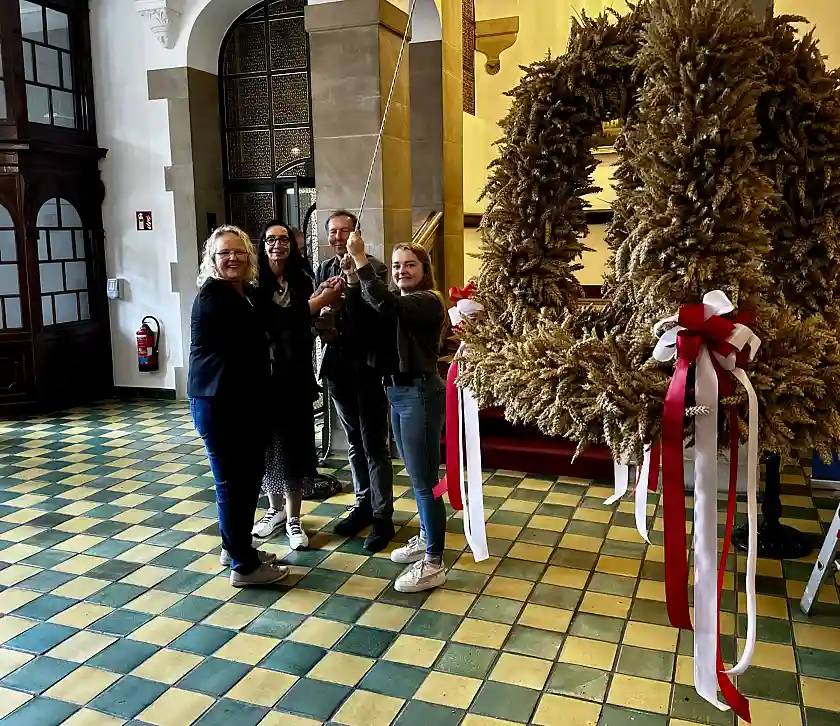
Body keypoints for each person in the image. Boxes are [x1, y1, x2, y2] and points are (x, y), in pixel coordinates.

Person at [344, 232, 448, 593]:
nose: (403, 270)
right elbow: (368, 315)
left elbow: (387, 305)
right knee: (417, 476)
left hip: (420, 392)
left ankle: (434, 562)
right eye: (398, 265)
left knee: (426, 481)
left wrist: (361, 259)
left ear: (425, 269)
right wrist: (353, 280)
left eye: (410, 265)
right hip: (397, 391)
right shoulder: (398, 299)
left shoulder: (428, 300)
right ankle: (426, 537)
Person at [188, 225, 287, 587]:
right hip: (220, 403)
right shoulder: (213, 297)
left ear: (249, 256)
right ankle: (243, 567)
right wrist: (318, 303)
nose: (232, 258)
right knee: (233, 485)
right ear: (211, 259)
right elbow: (262, 324)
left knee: (246, 482)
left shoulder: (245, 292)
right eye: (224, 253)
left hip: (245, 401)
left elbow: (278, 314)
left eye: (239, 252)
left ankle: (237, 549)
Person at [250, 221, 343, 548]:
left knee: (294, 451)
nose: (278, 245)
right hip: (263, 380)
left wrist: (320, 300)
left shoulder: (302, 279)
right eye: (271, 239)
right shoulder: (253, 283)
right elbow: (275, 321)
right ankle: (273, 511)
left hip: (296, 379)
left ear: (293, 245)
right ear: (262, 245)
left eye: (284, 239)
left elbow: (304, 324)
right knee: (268, 450)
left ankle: (293, 519)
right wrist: (317, 302)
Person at [315, 210, 395, 552]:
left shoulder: (373, 267)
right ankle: (363, 505)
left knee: (374, 444)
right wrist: (323, 317)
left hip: (367, 367)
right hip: (338, 367)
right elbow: (315, 311)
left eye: (344, 231)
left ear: (356, 234)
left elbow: (372, 316)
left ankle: (383, 516)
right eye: (332, 231)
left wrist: (349, 285)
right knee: (352, 442)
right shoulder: (324, 268)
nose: (337, 237)